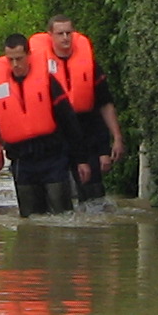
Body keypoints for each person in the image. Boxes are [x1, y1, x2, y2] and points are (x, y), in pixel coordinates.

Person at [0, 33, 93, 217]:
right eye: (10, 60)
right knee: (30, 221)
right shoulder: (0, 88)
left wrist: (81, 160)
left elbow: (70, 122)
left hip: (53, 159)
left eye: (19, 59)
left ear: (29, 55)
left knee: (61, 217)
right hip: (23, 163)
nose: (15, 65)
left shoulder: (49, 83)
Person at [30, 16, 125, 200]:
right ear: (50, 35)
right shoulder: (38, 68)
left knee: (93, 194)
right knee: (58, 195)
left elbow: (105, 103)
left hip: (86, 131)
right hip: (56, 134)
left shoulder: (90, 65)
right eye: (60, 34)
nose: (65, 38)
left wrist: (116, 138)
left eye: (69, 33)